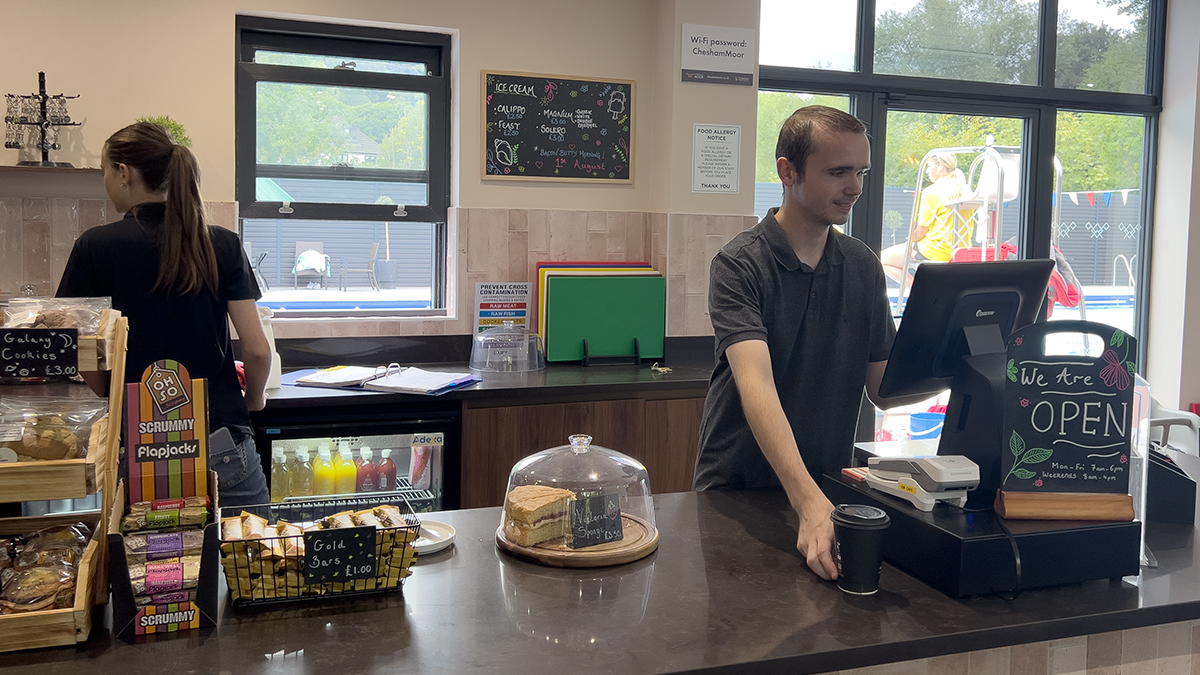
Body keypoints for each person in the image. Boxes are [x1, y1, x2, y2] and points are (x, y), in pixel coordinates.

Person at [693, 106, 925, 581]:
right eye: (838, 172)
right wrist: (808, 502)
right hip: (737, 495)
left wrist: (961, 365)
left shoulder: (862, 266)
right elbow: (758, 387)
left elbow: (884, 390)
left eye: (861, 172)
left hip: (826, 492)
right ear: (788, 171)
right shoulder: (739, 265)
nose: (855, 187)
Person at [57, 122, 273, 506]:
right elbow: (257, 351)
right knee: (247, 544)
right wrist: (253, 399)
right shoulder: (222, 243)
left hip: (138, 445)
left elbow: (73, 345)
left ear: (123, 172)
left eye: (105, 171)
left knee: (149, 547)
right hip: (220, 440)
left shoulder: (94, 246)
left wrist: (112, 391)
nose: (105, 181)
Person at [880, 152, 970, 283]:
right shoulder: (966, 191)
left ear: (941, 166)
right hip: (961, 250)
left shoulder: (932, 191)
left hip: (935, 251)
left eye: (929, 166)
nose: (927, 171)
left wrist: (910, 239)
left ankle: (916, 289)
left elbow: (920, 234)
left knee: (881, 259)